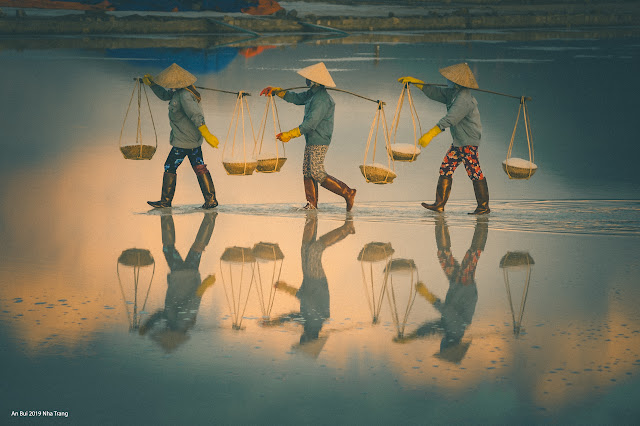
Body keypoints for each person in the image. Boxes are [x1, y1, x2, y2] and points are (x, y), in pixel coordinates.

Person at [260, 62, 356, 211]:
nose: (306, 81)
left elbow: (310, 124)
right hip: (311, 139)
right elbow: (298, 98)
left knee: (316, 171)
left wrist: (290, 134)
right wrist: (278, 91)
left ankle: (348, 192)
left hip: (320, 139)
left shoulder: (322, 99)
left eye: (308, 78)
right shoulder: (313, 94)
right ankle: (311, 204)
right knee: (307, 170)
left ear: (315, 81)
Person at [399, 62, 490, 215]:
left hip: (468, 141)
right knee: (446, 169)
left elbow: (451, 119)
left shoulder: (464, 99)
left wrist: (431, 134)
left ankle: (483, 206)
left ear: (457, 82)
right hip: (459, 141)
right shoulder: (453, 93)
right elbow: (436, 93)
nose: (448, 81)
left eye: (451, 79)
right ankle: (439, 204)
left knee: (474, 171)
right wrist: (417, 83)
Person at [396, 216, 488, 364]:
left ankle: (440, 220)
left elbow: (430, 329)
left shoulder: (449, 331)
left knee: (443, 254)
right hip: (465, 286)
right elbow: (448, 311)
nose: (441, 344)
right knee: (473, 253)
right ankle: (483, 223)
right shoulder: (457, 330)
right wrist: (428, 295)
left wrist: (411, 337)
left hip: (456, 285)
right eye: (443, 347)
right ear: (449, 344)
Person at [262, 212, 355, 357]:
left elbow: (290, 316)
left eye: (301, 340)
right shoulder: (317, 320)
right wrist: (284, 287)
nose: (301, 338)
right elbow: (304, 298)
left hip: (308, 279)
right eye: (303, 340)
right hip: (316, 280)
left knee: (305, 249)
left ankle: (312, 218)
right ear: (310, 339)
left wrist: (273, 323)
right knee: (313, 250)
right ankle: (347, 228)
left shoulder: (309, 323)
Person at [142, 63, 220, 209]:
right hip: (191, 141)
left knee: (170, 166)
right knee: (199, 167)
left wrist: (206, 132)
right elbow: (165, 95)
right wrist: (152, 84)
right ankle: (211, 200)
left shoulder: (184, 95)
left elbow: (195, 114)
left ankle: (165, 201)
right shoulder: (178, 92)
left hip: (184, 140)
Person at [139, 212, 217, 353]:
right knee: (172, 249)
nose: (162, 331)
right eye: (164, 333)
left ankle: (210, 217)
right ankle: (166, 215)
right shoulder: (182, 320)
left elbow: (160, 314)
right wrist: (205, 284)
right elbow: (194, 300)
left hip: (184, 276)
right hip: (183, 277)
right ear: (171, 334)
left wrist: (147, 325)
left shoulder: (174, 322)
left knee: (196, 248)